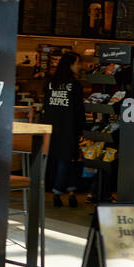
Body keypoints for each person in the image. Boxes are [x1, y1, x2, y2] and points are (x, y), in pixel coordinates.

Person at [43, 51, 85, 208]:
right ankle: (62, 192)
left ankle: (60, 192)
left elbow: (46, 106)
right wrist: (81, 128)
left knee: (57, 160)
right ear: (71, 65)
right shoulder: (74, 85)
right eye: (77, 63)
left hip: (51, 128)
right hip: (69, 128)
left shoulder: (49, 83)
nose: (80, 66)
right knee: (69, 160)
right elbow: (79, 110)